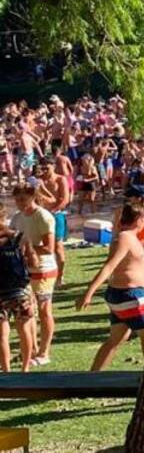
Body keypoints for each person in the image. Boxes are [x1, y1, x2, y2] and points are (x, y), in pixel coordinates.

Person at [76, 203, 144, 370]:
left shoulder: (127, 237)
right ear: (139, 220)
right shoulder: (125, 238)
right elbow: (109, 266)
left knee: (116, 339)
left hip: (119, 296)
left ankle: (91, 379)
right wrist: (89, 292)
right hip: (133, 296)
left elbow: (136, 249)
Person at [10, 184, 56, 366]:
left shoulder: (43, 216)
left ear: (32, 197)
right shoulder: (17, 218)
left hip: (44, 269)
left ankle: (44, 352)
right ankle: (32, 350)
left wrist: (26, 247)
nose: (19, 203)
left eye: (22, 199)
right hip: (24, 270)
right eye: (16, 199)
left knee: (44, 310)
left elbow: (49, 248)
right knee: (28, 311)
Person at [0, 207, 37, 372]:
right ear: (5, 216)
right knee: (24, 330)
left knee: (2, 335)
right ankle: (25, 368)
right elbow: (33, 262)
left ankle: (6, 371)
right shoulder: (19, 236)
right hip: (20, 290)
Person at [34, 157, 70, 287]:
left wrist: (54, 210)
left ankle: (60, 276)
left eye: (46, 167)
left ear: (53, 166)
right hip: (40, 215)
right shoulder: (38, 180)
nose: (44, 170)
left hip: (56, 215)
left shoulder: (60, 179)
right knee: (39, 244)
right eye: (42, 167)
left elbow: (64, 199)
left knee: (58, 247)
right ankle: (42, 273)